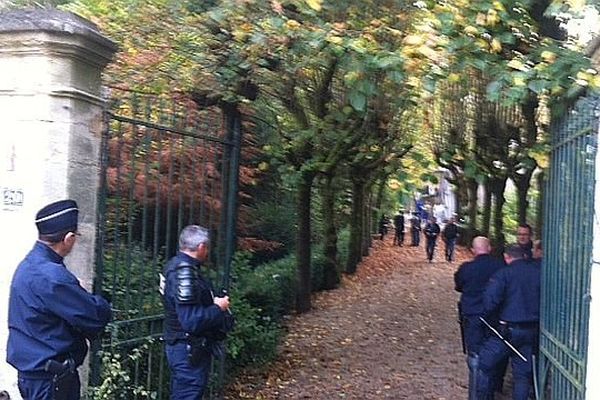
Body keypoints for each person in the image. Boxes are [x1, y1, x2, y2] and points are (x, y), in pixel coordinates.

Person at [7, 199, 112, 400]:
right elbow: (95, 317)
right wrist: (89, 296)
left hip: (33, 375)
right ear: (69, 238)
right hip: (51, 380)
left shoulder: (29, 265)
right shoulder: (52, 277)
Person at [161, 225, 232, 400]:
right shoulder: (184, 272)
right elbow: (191, 321)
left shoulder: (175, 266)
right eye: (207, 247)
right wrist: (218, 307)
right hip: (188, 350)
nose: (207, 252)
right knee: (188, 394)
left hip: (183, 347)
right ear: (201, 247)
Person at [475, 244, 541, 400]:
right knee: (522, 376)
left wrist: (488, 319)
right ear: (524, 256)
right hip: (531, 330)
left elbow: (490, 302)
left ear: (506, 257)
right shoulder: (538, 273)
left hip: (507, 332)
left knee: (483, 365)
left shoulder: (503, 274)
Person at [454, 236, 506, 399]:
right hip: (494, 316)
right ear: (489, 248)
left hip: (472, 316)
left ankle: (477, 394)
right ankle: (491, 389)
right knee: (493, 353)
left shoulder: (466, 268)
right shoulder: (500, 266)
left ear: (473, 250)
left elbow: (459, 286)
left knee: (475, 355)